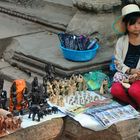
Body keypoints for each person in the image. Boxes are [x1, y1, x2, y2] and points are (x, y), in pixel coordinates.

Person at [111, 4, 140, 109]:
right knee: (116, 90)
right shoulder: (121, 41)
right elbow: (117, 63)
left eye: (139, 23)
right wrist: (130, 71)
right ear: (126, 25)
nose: (137, 27)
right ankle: (133, 106)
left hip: (139, 77)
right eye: (133, 24)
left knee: (135, 91)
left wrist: (137, 75)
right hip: (125, 75)